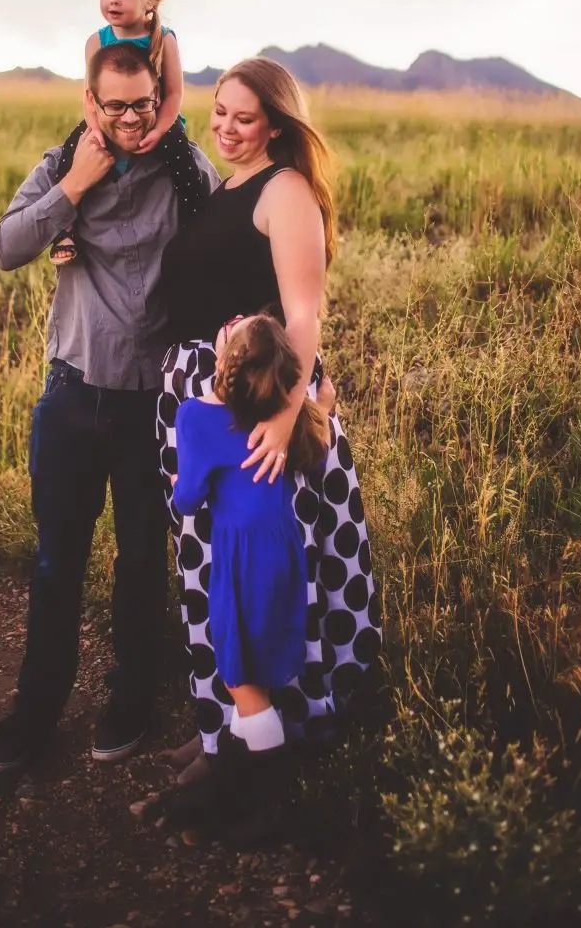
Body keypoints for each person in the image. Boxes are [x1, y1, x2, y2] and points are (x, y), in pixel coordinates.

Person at [0, 41, 218, 774]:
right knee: (57, 562)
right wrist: (74, 190)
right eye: (112, 105)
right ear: (91, 102)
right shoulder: (62, 163)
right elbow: (4, 247)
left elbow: (232, 245)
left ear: (161, 98)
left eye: (142, 104)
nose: (127, 118)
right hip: (72, 394)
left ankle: (132, 699)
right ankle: (36, 709)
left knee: (142, 559)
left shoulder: (184, 173)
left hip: (152, 402)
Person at [158, 57, 382, 775]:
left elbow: (303, 315)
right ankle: (228, 720)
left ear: (276, 125)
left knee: (272, 574)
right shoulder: (227, 187)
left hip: (257, 404)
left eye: (243, 118)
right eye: (218, 111)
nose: (225, 128)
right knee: (210, 568)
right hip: (206, 398)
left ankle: (291, 743)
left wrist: (286, 417)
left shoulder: (283, 191)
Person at [171, 313, 329, 816]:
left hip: (241, 558)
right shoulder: (283, 409)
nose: (235, 317)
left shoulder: (197, 414)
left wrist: (181, 482)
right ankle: (234, 784)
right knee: (255, 672)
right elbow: (316, 448)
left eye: (241, 325)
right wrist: (320, 405)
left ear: (227, 359)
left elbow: (189, 500)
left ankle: (268, 806)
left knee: (239, 675)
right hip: (284, 549)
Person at [49, 0, 203, 265]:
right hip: (105, 119)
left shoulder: (163, 39)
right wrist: (95, 130)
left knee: (184, 165)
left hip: (157, 118)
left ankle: (196, 227)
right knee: (69, 153)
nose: (114, 0)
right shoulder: (97, 41)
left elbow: (173, 94)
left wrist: (160, 129)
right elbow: (89, 95)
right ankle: (64, 229)